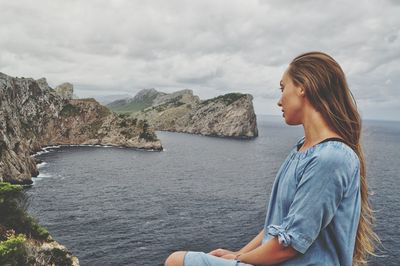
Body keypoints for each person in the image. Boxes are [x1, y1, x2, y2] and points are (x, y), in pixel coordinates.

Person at [164, 51, 379, 266]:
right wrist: (238, 253)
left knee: (177, 261)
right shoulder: (303, 150)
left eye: (283, 88)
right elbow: (277, 227)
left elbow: (288, 245)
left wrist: (237, 258)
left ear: (303, 87)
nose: (278, 101)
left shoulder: (331, 157)